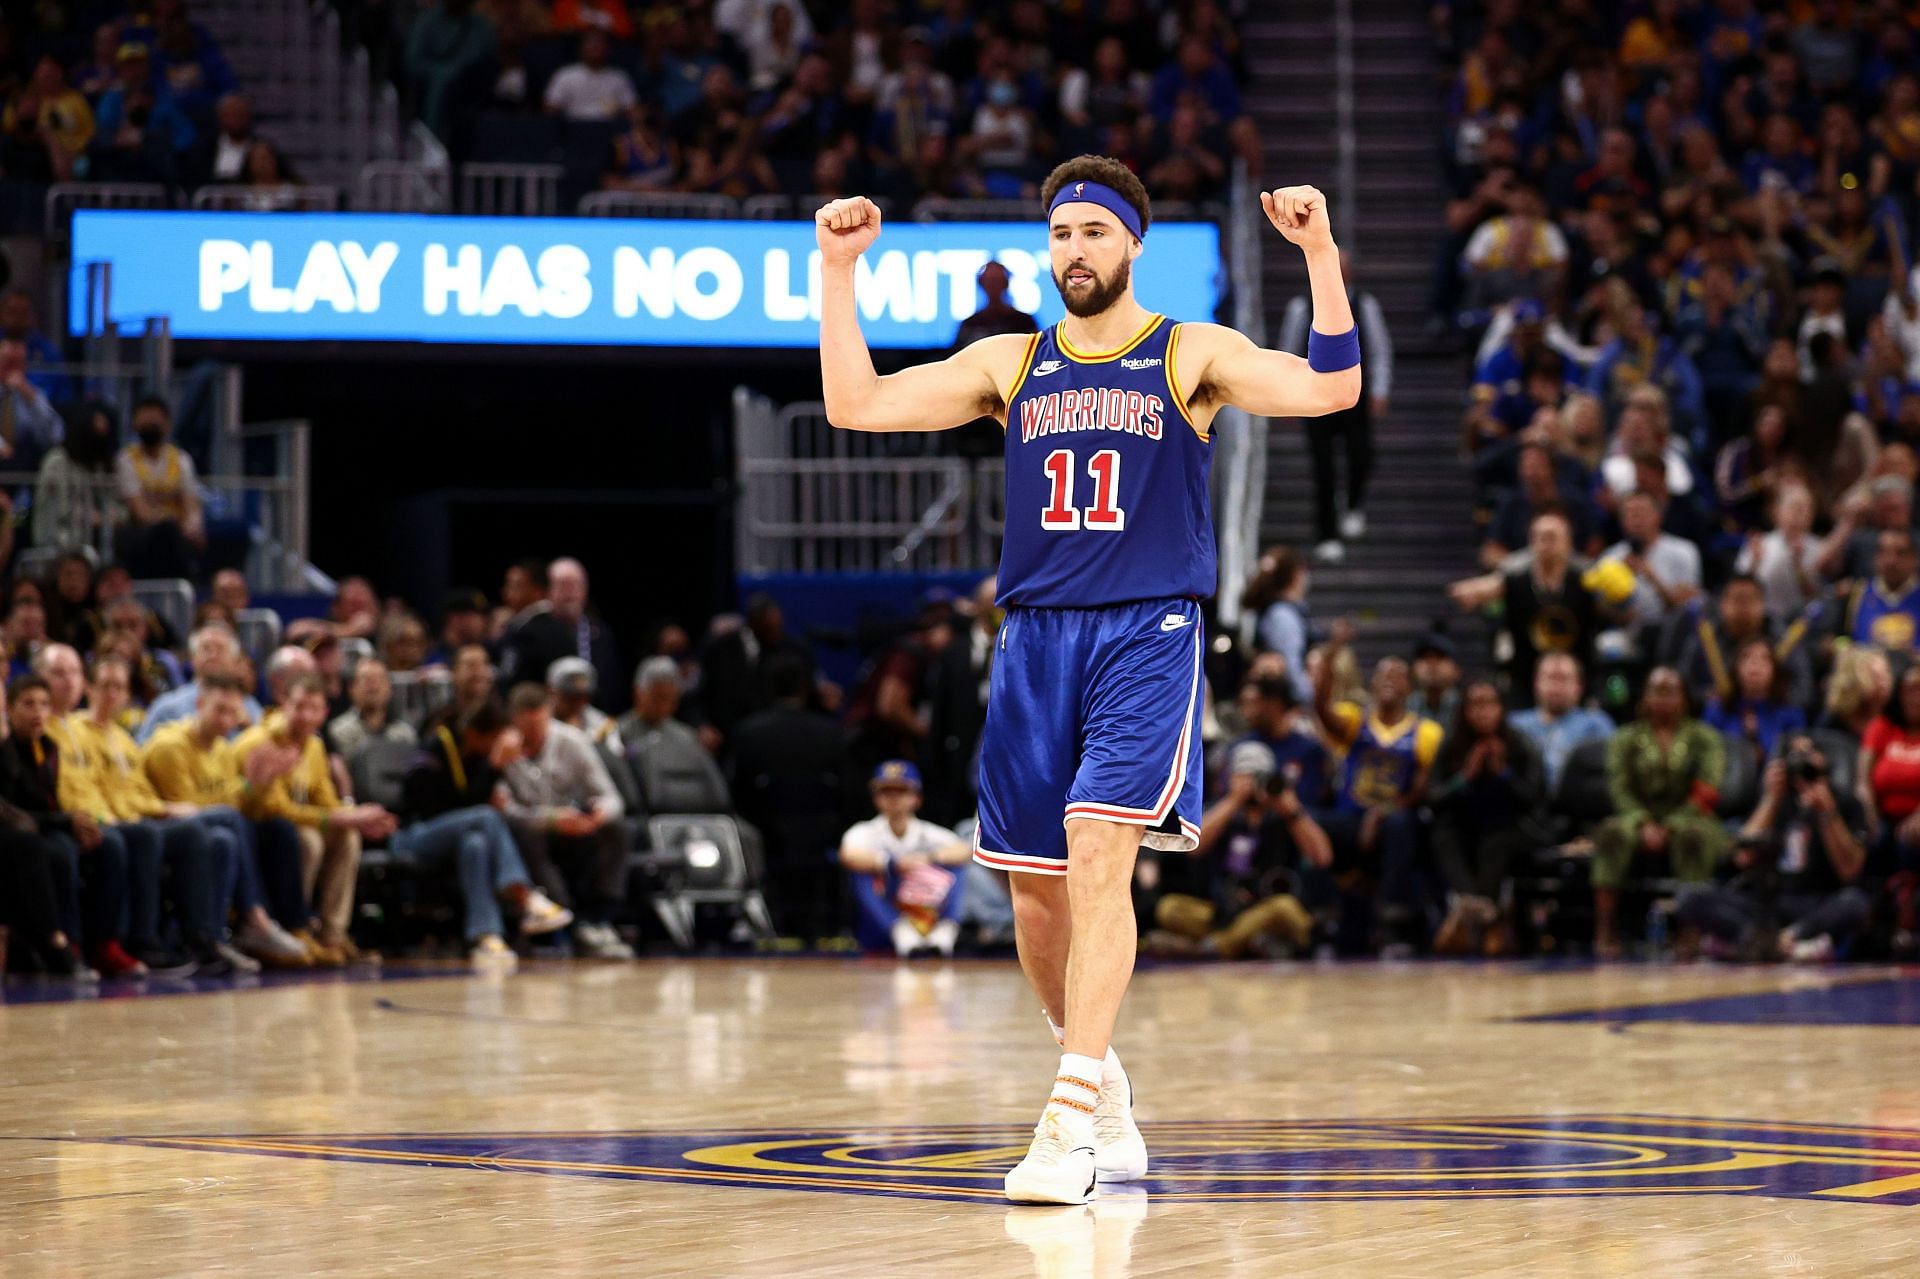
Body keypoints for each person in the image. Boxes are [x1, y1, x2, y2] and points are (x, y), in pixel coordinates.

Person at [815, 159, 1363, 1204]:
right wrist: (836, 273)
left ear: (1133, 246)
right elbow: (855, 403)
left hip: (1147, 629)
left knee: (1100, 847)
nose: (1074, 250)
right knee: (1035, 894)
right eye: (1060, 233)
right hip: (1033, 639)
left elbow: (1330, 385)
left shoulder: (1186, 352)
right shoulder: (1010, 363)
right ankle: (1101, 1077)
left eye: (1095, 234)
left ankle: (1063, 1120)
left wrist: (1319, 255)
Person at [35, 644, 236, 975]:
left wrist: (161, 809)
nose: (68, 682)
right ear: (92, 688)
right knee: (170, 830)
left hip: (127, 817)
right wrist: (107, 816)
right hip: (95, 821)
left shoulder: (121, 739)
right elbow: (79, 791)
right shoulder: (66, 730)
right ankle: (142, 941)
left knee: (207, 836)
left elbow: (133, 793)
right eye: (59, 674)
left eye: (73, 673)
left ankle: (203, 939)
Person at [140, 672, 313, 967]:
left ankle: (214, 941)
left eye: (233, 712)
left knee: (231, 838)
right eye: (219, 710)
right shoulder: (169, 746)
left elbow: (234, 803)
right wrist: (247, 786)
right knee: (228, 822)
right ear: (199, 704)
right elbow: (189, 809)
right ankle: (256, 918)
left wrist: (262, 782)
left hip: (207, 832)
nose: (226, 720)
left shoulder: (222, 748)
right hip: (162, 828)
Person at [395, 698, 574, 968]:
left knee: (475, 844)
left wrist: (492, 770)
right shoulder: (432, 751)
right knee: (485, 817)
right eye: (493, 739)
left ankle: (487, 936)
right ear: (473, 735)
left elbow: (470, 810)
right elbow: (437, 812)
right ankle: (524, 896)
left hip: (459, 840)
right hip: (414, 838)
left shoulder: (477, 758)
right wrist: (493, 768)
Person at [233, 673, 396, 964]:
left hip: (290, 825)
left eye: (314, 708)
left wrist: (358, 818)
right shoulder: (260, 741)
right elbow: (276, 809)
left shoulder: (314, 746)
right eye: (299, 706)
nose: (305, 716)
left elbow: (327, 802)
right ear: (284, 702)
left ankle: (333, 934)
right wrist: (343, 818)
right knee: (309, 839)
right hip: (257, 830)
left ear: (325, 713)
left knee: (348, 836)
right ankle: (297, 926)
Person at [1676, 735, 1870, 962]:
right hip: (1765, 904)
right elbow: (1742, 856)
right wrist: (1770, 800)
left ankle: (1781, 940)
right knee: (1690, 897)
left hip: (1814, 902)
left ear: (1824, 760)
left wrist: (1827, 811)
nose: (1801, 762)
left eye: (1809, 753)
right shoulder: (1771, 797)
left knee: (1854, 903)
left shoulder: (1845, 802)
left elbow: (1850, 870)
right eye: (1794, 755)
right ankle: (1768, 941)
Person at [1311, 623, 1443, 953]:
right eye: (1383, 673)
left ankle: (1394, 920)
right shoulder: (1356, 720)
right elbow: (1321, 709)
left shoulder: (1426, 732)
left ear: (1410, 690)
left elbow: (1422, 790)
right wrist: (1330, 656)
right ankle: (1316, 914)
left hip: (1393, 818)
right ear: (1371, 683)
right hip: (1352, 818)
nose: (1389, 679)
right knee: (1308, 821)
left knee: (1402, 825)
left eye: (1398, 675)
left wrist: (1383, 812)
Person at [0, 673, 144, 976]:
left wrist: (81, 821)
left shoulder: (50, 748)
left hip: (49, 824)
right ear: (9, 710)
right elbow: (17, 813)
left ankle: (107, 942)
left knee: (110, 844)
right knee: (61, 852)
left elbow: (51, 803)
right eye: (28, 704)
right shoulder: (6, 749)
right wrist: (68, 821)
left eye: (43, 704)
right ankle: (69, 944)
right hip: (24, 832)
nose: (38, 712)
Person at [1149, 739, 1329, 960]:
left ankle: (1214, 947)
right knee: (1169, 908)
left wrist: (1292, 811)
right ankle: (1248, 942)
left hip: (1270, 908)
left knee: (1286, 908)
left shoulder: (1286, 814)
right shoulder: (1224, 811)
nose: (1253, 785)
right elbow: (1193, 848)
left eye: (1259, 778)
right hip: (1225, 912)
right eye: (1245, 777)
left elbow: (1322, 858)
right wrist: (1233, 800)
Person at [1592, 668, 1727, 959]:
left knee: (1694, 836)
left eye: (1671, 691)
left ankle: (1690, 928)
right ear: (1645, 697)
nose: (1663, 699)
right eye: (1657, 691)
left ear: (1685, 698)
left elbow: (1707, 789)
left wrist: (1672, 824)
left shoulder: (1705, 737)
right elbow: (1619, 787)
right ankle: (1605, 927)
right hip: (1637, 815)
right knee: (1611, 832)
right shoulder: (1625, 737)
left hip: (1691, 816)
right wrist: (1642, 822)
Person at [497, 682, 632, 960]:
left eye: (539, 725)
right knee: (523, 834)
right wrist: (550, 820)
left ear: (549, 714)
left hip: (577, 825)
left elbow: (612, 798)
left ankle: (601, 918)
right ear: (514, 720)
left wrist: (597, 815)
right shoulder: (503, 748)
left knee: (618, 828)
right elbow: (502, 809)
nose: (534, 733)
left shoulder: (572, 740)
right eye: (527, 727)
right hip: (532, 829)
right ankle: (567, 916)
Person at [1278, 248, 1392, 563]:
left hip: (1354, 396)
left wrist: (1380, 389)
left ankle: (1353, 505)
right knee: (1323, 468)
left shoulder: (1364, 304)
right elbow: (1288, 353)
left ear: (1349, 274)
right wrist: (1287, 398)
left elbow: (1380, 348)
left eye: (1339, 269)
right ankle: (1326, 534)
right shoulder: (1302, 306)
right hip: (1317, 400)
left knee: (1362, 454)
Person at [1428, 680, 1544, 956]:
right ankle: (1489, 916)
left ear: (1501, 708)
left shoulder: (1520, 743)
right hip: (1464, 825)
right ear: (1464, 710)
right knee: (1444, 835)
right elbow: (1434, 798)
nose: (1482, 712)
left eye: (1489, 704)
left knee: (1496, 841)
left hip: (1511, 826)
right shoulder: (1452, 743)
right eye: (1475, 705)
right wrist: (1464, 778)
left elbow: (1533, 799)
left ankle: (1467, 919)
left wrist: (1502, 772)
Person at [837, 760, 970, 957]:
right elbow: (848, 855)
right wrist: (893, 864)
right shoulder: (865, 830)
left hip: (925, 909)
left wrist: (928, 859)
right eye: (886, 791)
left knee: (956, 867)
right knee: (861, 875)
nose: (893, 798)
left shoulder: (927, 832)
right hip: (885, 916)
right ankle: (900, 931)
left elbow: (964, 850)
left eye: (901, 791)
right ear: (876, 798)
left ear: (916, 798)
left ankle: (945, 931)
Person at [113, 394, 204, 580]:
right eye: (145, 422)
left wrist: (192, 527)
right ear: (134, 424)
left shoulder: (181, 459)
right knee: (166, 532)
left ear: (167, 425)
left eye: (155, 422)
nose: (150, 427)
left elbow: (191, 505)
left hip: (175, 535)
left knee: (186, 536)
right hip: (139, 533)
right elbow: (141, 513)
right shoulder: (126, 459)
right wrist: (171, 522)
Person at [137, 623, 262, 742]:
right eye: (206, 648)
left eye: (220, 649)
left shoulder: (251, 708)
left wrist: (250, 729)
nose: (213, 655)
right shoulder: (167, 707)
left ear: (235, 660)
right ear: (192, 658)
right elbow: (142, 753)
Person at [1510, 653, 1614, 793]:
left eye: (1564, 678)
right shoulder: (1514, 724)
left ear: (1579, 686)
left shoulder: (1597, 723)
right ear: (1536, 683)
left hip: (1579, 806)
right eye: (1551, 677)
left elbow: (1612, 774)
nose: (1556, 686)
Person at [1702, 638, 1807, 768]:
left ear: (1775, 669)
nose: (1755, 663)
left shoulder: (1790, 712)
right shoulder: (1717, 709)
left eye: (1764, 658)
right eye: (1747, 657)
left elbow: (1797, 752)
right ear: (1736, 667)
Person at [1861, 664, 1920, 875]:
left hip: (1916, 819)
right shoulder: (1882, 726)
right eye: (1909, 689)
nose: (1915, 697)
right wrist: (1870, 814)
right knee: (1875, 839)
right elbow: (1862, 782)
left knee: (1910, 840)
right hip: (1882, 816)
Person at [1841, 527, 1920, 653]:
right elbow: (1840, 641)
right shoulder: (1856, 594)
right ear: (1875, 558)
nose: (1891, 561)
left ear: (1915, 559)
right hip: (1864, 668)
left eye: (1900, 553)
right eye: (1884, 553)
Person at [326, 656, 417, 761]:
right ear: (351, 689)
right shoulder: (336, 732)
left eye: (380, 679)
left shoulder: (405, 735)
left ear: (390, 688)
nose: (374, 686)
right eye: (366, 679)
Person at [543, 29, 635, 122]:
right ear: (581, 48)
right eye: (590, 44)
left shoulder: (619, 77)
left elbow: (631, 108)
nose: (594, 47)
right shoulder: (566, 75)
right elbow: (550, 106)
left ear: (608, 49)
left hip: (608, 128)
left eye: (599, 44)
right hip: (573, 127)